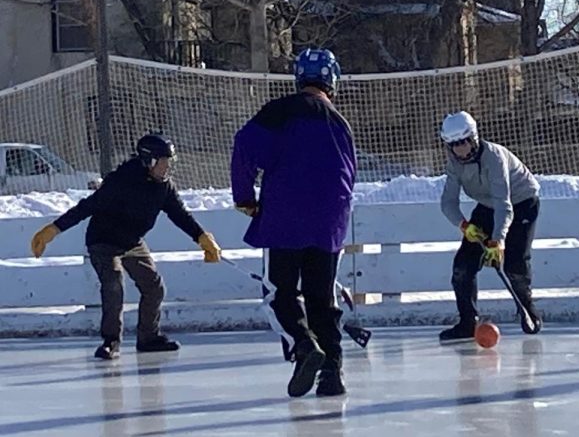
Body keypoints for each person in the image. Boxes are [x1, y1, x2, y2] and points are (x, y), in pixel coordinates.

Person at [231, 48, 356, 398]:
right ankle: (332, 373)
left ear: (298, 78)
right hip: (331, 218)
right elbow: (350, 173)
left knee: (279, 293)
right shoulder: (339, 121)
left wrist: (244, 196)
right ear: (333, 80)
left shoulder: (280, 111)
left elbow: (244, 147)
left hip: (286, 214)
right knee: (322, 297)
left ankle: (304, 345)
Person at [30, 133, 222, 360]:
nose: (167, 168)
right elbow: (87, 206)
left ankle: (148, 338)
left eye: (170, 162)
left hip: (133, 242)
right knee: (113, 286)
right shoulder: (122, 181)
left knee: (154, 287)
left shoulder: (164, 187)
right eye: (163, 162)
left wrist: (201, 237)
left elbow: (180, 215)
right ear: (149, 161)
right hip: (103, 241)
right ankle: (111, 342)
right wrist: (54, 229)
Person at [438, 111, 542, 342]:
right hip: (486, 206)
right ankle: (467, 323)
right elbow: (447, 202)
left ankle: (528, 309)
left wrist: (498, 241)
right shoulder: (454, 165)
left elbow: (504, 204)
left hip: (522, 202)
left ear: (474, 138)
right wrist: (465, 226)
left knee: (514, 264)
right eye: (455, 145)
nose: (461, 149)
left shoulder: (494, 157)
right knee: (462, 266)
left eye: (464, 142)